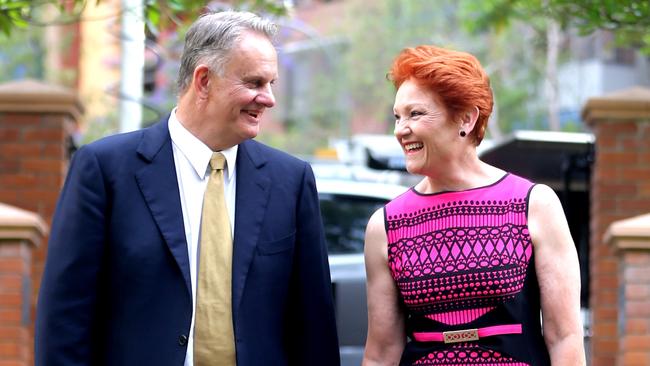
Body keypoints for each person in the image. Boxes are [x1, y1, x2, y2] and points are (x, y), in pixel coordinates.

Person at [35, 10, 340, 366]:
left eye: (271, 83)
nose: (269, 98)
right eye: (255, 83)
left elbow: (314, 329)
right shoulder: (104, 170)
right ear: (204, 80)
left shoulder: (292, 180)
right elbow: (64, 319)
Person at [362, 45, 585, 366]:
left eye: (416, 114)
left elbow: (565, 337)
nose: (400, 129)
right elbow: (381, 353)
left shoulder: (534, 205)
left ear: (465, 118)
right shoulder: (385, 225)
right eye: (397, 117)